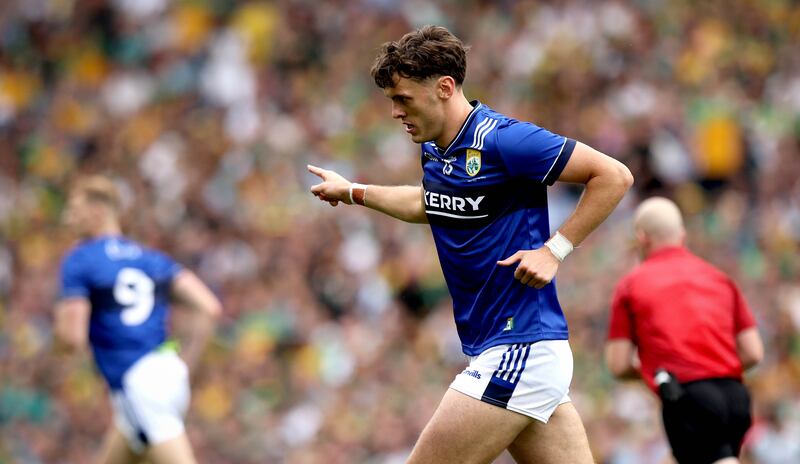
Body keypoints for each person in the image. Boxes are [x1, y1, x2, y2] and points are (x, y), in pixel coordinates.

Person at [308, 25, 633, 464]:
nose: (394, 112)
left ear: (444, 87)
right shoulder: (436, 148)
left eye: (402, 98)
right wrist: (353, 192)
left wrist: (555, 250)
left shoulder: (506, 140)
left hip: (520, 345)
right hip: (512, 350)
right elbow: (432, 203)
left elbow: (613, 176)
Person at [54, 176, 222, 464]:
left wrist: (59, 324)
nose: (67, 219)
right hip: (167, 373)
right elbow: (209, 307)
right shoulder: (151, 259)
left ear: (97, 210)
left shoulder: (80, 260)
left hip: (138, 383)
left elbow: (73, 339)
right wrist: (185, 367)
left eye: (74, 209)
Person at [605, 196, 764, 464]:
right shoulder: (720, 278)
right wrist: (715, 366)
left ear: (642, 238)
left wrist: (659, 374)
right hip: (737, 398)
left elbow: (618, 364)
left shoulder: (632, 285)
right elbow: (753, 353)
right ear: (682, 234)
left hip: (688, 398)